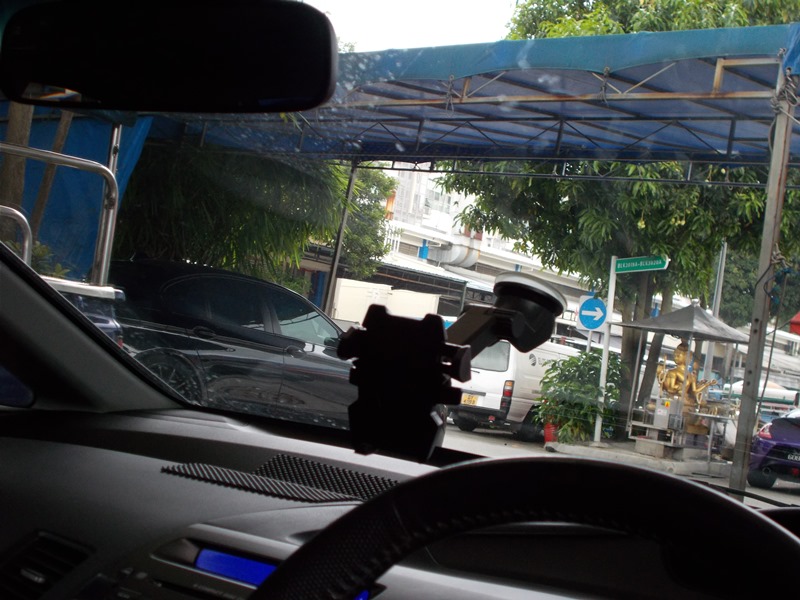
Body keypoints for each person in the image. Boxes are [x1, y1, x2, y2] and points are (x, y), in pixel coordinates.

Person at [658, 341, 717, 434]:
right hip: (676, 401)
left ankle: (696, 423)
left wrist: (707, 384)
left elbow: (694, 391)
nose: (676, 357)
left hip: (687, 402)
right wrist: (679, 387)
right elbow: (670, 389)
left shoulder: (690, 375)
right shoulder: (672, 372)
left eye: (679, 355)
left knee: (701, 406)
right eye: (676, 354)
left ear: (687, 357)